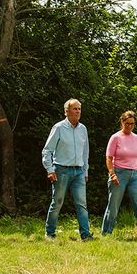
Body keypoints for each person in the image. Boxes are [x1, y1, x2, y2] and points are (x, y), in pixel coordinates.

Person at [41, 98, 92, 241]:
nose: (78, 111)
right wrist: (50, 170)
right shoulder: (58, 128)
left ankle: (85, 235)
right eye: (75, 108)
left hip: (79, 172)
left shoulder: (83, 129)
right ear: (66, 111)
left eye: (79, 109)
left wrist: (86, 171)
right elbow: (47, 150)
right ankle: (50, 233)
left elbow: (85, 152)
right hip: (61, 171)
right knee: (57, 203)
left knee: (82, 204)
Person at [101, 110, 137, 235]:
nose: (129, 126)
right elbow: (108, 158)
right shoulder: (116, 137)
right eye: (127, 123)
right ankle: (106, 232)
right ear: (122, 122)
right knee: (113, 206)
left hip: (134, 175)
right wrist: (112, 174)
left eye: (132, 124)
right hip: (119, 173)